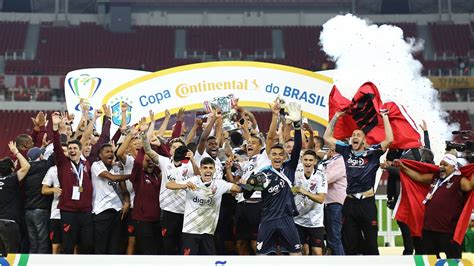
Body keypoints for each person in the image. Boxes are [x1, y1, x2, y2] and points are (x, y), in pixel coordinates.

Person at [324, 110, 393, 255]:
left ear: (364, 140)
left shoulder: (373, 153)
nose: (354, 137)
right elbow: (327, 137)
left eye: (358, 135)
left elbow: (389, 140)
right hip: (349, 203)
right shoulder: (345, 150)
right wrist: (336, 117)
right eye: (353, 135)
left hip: (367, 203)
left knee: (371, 245)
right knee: (350, 245)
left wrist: (385, 117)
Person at [245, 102, 303, 255]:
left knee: (296, 254)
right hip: (268, 219)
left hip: (286, 219)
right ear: (269, 156)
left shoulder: (289, 169)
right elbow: (246, 193)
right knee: (263, 255)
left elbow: (297, 148)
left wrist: (297, 126)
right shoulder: (263, 174)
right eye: (274, 154)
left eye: (280, 154)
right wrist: (249, 185)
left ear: (284, 157)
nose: (277, 157)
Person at [397, 154, 473, 258]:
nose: (441, 167)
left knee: (453, 260)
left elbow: (469, 186)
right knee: (429, 260)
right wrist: (403, 167)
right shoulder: (436, 177)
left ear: (453, 167)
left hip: (448, 230)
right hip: (429, 229)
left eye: (445, 165)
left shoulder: (459, 179)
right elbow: (419, 177)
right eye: (440, 164)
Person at [167, 157, 241, 255]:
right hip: (190, 231)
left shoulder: (219, 184)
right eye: (205, 168)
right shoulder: (193, 181)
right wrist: (184, 186)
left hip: (208, 232)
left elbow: (237, 188)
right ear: (200, 169)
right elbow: (169, 184)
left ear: (214, 170)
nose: (208, 170)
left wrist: (248, 186)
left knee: (209, 262)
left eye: (210, 168)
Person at [51, 112, 94, 254]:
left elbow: (86, 136)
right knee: (68, 244)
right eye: (70, 149)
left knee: (87, 243)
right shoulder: (63, 163)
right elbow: (57, 147)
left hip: (86, 210)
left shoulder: (86, 164)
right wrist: (56, 128)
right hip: (68, 210)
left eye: (75, 148)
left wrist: (90, 118)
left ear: (80, 150)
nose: (72, 150)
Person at [91, 143, 131, 254]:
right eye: (107, 152)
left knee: (115, 246)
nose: (110, 154)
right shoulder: (96, 165)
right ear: (100, 155)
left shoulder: (116, 168)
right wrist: (133, 175)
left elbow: (123, 189)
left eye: (111, 152)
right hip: (101, 212)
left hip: (117, 212)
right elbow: (113, 178)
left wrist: (127, 202)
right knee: (101, 246)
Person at [292, 149, 327, 255]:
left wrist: (305, 192)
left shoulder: (321, 176)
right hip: (298, 220)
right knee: (301, 251)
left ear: (315, 162)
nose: (308, 162)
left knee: (317, 252)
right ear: (302, 160)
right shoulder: (296, 171)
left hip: (315, 221)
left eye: (311, 160)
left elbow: (321, 199)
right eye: (306, 159)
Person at [23, 147, 56, 253]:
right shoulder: (43, 165)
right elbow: (54, 156)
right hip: (40, 210)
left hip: (28, 211)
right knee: (43, 242)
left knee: (33, 243)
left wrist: (43, 146)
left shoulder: (25, 168)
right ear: (40, 156)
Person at [0, 142, 31, 255]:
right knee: (13, 255)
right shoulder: (11, 180)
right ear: (12, 168)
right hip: (9, 222)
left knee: (1, 256)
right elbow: (27, 166)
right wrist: (16, 152)